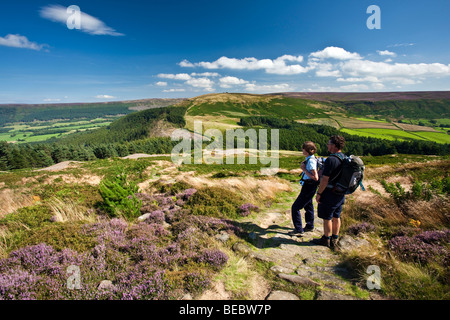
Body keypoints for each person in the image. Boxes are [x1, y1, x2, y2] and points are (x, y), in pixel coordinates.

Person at [312, 135, 346, 250]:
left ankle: (326, 239)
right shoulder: (344, 158)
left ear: (334, 145)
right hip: (340, 193)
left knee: (327, 217)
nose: (327, 145)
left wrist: (319, 193)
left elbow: (325, 179)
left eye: (329, 143)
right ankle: (334, 239)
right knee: (337, 216)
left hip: (329, 193)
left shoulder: (331, 160)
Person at [289, 141, 319, 236]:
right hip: (310, 186)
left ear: (308, 150)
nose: (302, 150)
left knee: (295, 207)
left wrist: (304, 169)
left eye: (304, 149)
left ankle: (298, 229)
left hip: (309, 186)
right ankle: (310, 226)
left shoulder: (310, 161)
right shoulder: (311, 159)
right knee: (308, 205)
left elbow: (315, 177)